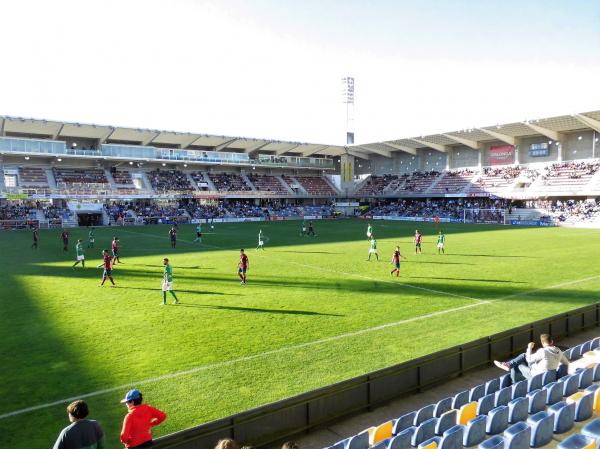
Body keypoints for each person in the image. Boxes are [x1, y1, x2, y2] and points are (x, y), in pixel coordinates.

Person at [493, 334, 569, 383]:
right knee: (523, 356)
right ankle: (508, 365)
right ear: (552, 341)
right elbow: (566, 363)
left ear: (542, 343)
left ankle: (514, 383)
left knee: (518, 364)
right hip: (549, 376)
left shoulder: (543, 351)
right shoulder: (559, 351)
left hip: (536, 376)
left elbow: (529, 359)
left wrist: (529, 348)